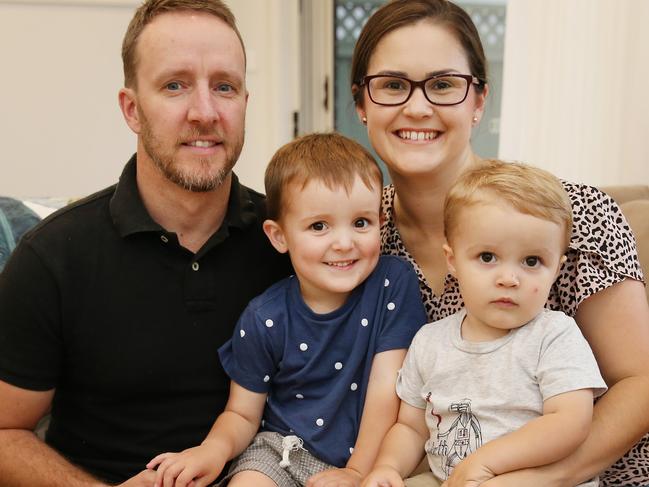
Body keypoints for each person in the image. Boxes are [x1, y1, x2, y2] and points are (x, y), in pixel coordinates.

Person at [350, 1, 649, 485]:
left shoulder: (575, 215)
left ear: (479, 101)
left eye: (444, 84)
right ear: (362, 105)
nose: (418, 106)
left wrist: (530, 479)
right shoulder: (353, 236)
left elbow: (641, 384)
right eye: (393, 85)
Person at [0, 0, 291, 485]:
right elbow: (6, 429)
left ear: (244, 102)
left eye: (225, 86)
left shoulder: (291, 244)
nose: (205, 112)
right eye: (174, 85)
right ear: (132, 109)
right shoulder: (52, 257)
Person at [145, 132, 428, 487]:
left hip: (369, 455)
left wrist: (358, 471)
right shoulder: (264, 317)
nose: (344, 243)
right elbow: (242, 413)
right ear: (279, 236)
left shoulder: (392, 282)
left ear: (380, 224)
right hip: (282, 449)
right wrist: (211, 451)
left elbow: (387, 386)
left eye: (361, 223)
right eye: (319, 226)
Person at [362, 160, 608, 487]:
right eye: (487, 258)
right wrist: (388, 467)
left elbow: (570, 422)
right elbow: (410, 427)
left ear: (556, 269)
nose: (508, 278)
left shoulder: (554, 336)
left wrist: (485, 464)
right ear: (453, 260)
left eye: (532, 261)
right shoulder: (429, 341)